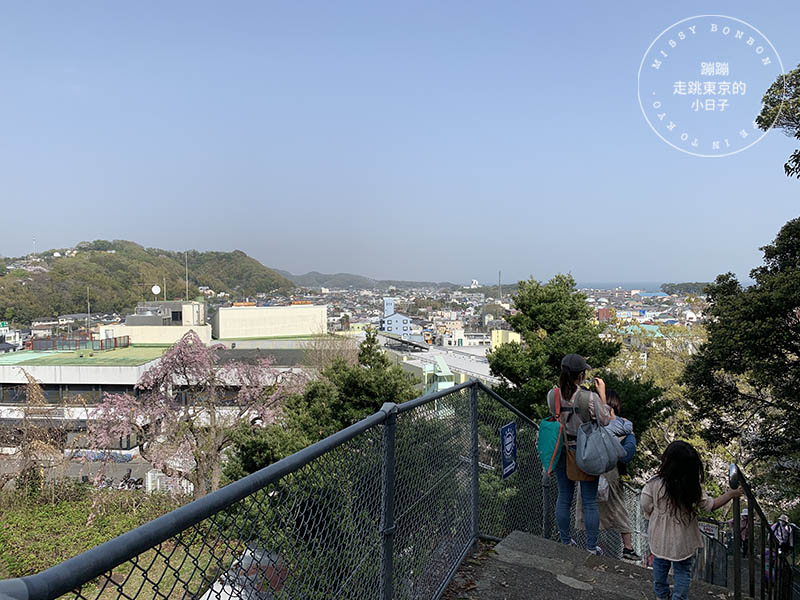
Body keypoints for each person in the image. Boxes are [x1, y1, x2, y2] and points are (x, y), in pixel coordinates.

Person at [642, 441, 743, 600]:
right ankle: (679, 598)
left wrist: (655, 514)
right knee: (682, 571)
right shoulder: (692, 487)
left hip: (659, 536)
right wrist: (730, 494)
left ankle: (662, 596)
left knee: (660, 568)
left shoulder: (654, 483)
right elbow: (711, 505)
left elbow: (645, 504)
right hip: (683, 538)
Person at [546, 353, 611, 555]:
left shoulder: (553, 395)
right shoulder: (588, 398)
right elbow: (605, 419)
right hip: (584, 451)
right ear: (581, 375)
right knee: (589, 500)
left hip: (561, 450)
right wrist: (602, 395)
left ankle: (565, 540)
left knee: (564, 496)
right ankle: (591, 546)